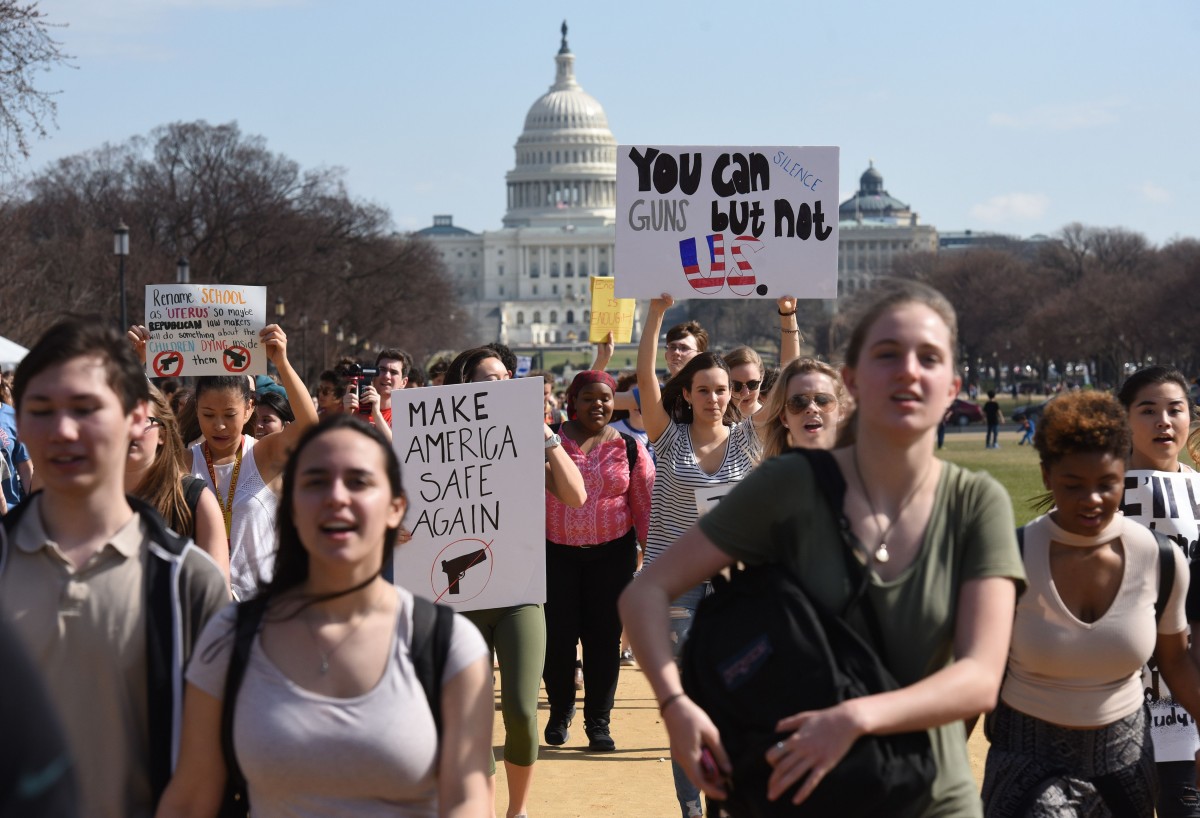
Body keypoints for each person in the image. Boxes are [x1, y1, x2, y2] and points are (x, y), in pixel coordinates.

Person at [621, 280, 1025, 818]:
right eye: (887, 354)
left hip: (926, 794)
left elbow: (979, 680)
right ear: (856, 381)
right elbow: (644, 590)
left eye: (928, 356)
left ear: (952, 385)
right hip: (804, 789)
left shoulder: (977, 503)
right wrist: (676, 705)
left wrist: (854, 719)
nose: (908, 369)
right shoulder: (785, 485)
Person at [155, 415, 494, 817]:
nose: (336, 496)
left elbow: (468, 801)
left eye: (359, 481)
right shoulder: (227, 640)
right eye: (315, 481)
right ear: (292, 506)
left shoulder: (451, 646)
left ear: (395, 508)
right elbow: (193, 798)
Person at [1, 319, 228, 818]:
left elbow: (203, 775)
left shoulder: (188, 582)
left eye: (86, 409)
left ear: (136, 418)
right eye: (41, 410)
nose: (63, 430)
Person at [982, 390, 1200, 817]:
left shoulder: (1161, 560)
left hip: (1125, 763)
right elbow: (977, 672)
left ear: (1125, 473)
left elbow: (1176, 663)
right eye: (1073, 485)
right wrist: (943, 769)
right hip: (1029, 761)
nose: (1092, 500)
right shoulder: (1010, 560)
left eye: (1107, 484)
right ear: (1047, 476)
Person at [631, 293, 765, 818]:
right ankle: (691, 805)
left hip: (734, 582)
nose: (714, 398)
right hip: (676, 581)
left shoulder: (748, 440)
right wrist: (657, 314)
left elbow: (790, 380)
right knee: (685, 703)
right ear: (686, 393)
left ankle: (724, 800)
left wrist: (787, 316)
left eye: (723, 391)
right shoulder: (668, 439)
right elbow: (644, 374)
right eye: (704, 390)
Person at [442, 346, 586, 818]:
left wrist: (545, 435)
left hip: (519, 595)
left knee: (522, 712)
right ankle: (479, 807)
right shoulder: (436, 442)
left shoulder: (526, 440)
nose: (504, 383)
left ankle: (517, 810)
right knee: (471, 719)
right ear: (467, 387)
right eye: (492, 377)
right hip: (459, 601)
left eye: (508, 376)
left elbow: (575, 494)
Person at [122, 322, 318, 599]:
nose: (219, 426)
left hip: (262, 608)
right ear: (196, 410)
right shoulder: (185, 461)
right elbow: (145, 421)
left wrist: (282, 363)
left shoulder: (262, 455)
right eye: (209, 414)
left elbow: (310, 427)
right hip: (202, 606)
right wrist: (136, 366)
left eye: (229, 414)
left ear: (249, 409)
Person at [542, 370, 654, 753]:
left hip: (612, 557)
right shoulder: (548, 440)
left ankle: (598, 723)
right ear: (573, 401)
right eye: (589, 397)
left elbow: (645, 506)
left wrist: (650, 554)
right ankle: (559, 713)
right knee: (557, 639)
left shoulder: (629, 448)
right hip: (554, 555)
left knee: (603, 641)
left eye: (606, 398)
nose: (599, 405)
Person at [1117, 365, 1200, 817]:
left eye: (1175, 410)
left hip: (1188, 700)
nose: (1163, 421)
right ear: (1125, 419)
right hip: (1114, 700)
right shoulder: (1094, 495)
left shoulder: (1199, 489)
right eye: (1147, 410)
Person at [126, 384, 230, 584]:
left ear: (162, 435)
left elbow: (216, 602)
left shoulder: (196, 500)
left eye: (142, 421)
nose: (132, 430)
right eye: (122, 420)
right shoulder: (85, 498)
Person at [755, 357, 849, 460]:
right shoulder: (770, 474)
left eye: (823, 399)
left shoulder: (864, 470)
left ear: (841, 412)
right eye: (798, 402)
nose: (812, 408)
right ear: (784, 418)